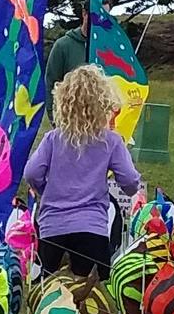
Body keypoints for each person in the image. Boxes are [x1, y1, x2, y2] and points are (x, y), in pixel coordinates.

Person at [24, 64, 143, 279]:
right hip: (92, 229)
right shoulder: (111, 141)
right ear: (103, 102)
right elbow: (130, 181)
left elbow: (31, 173)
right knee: (93, 301)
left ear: (64, 102)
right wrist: (129, 187)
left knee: (50, 296)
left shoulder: (53, 138)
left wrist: (46, 190)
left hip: (53, 228)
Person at [43, 2, 90, 97]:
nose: (101, 20)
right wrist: (52, 110)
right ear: (84, 13)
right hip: (69, 110)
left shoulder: (110, 48)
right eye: (96, 14)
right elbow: (51, 84)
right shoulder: (62, 45)